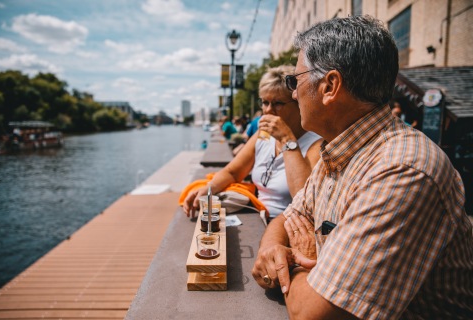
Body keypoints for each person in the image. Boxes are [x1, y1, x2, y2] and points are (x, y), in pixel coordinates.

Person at [251, 16, 473, 320]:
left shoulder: (401, 169)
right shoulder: (341, 150)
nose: (292, 93)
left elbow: (312, 313)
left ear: (330, 86)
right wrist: (273, 248)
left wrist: (292, 264)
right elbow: (291, 216)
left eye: (295, 80)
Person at [183, 65, 323, 219]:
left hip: (287, 228)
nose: (268, 110)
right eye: (264, 102)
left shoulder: (316, 143)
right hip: (256, 216)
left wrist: (286, 139)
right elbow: (233, 172)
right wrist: (208, 189)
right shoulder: (263, 135)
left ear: (298, 104)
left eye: (277, 103)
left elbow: (304, 199)